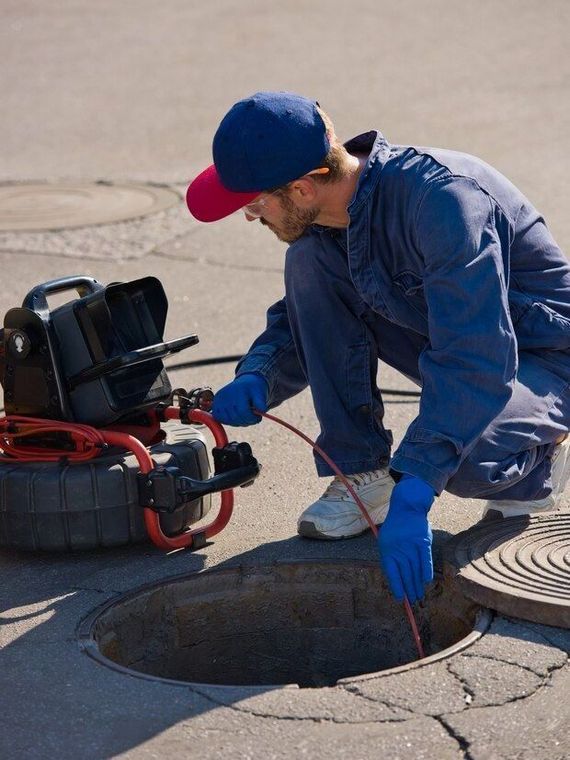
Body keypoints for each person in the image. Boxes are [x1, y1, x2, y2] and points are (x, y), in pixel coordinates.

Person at [186, 91, 570, 604]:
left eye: (255, 202)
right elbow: (312, 313)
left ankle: (540, 464)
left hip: (543, 357)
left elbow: (476, 357)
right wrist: (260, 372)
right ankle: (363, 473)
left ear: (301, 188)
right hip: (459, 339)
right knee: (309, 262)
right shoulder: (332, 211)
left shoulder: (444, 202)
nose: (250, 216)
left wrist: (416, 484)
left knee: (462, 460)